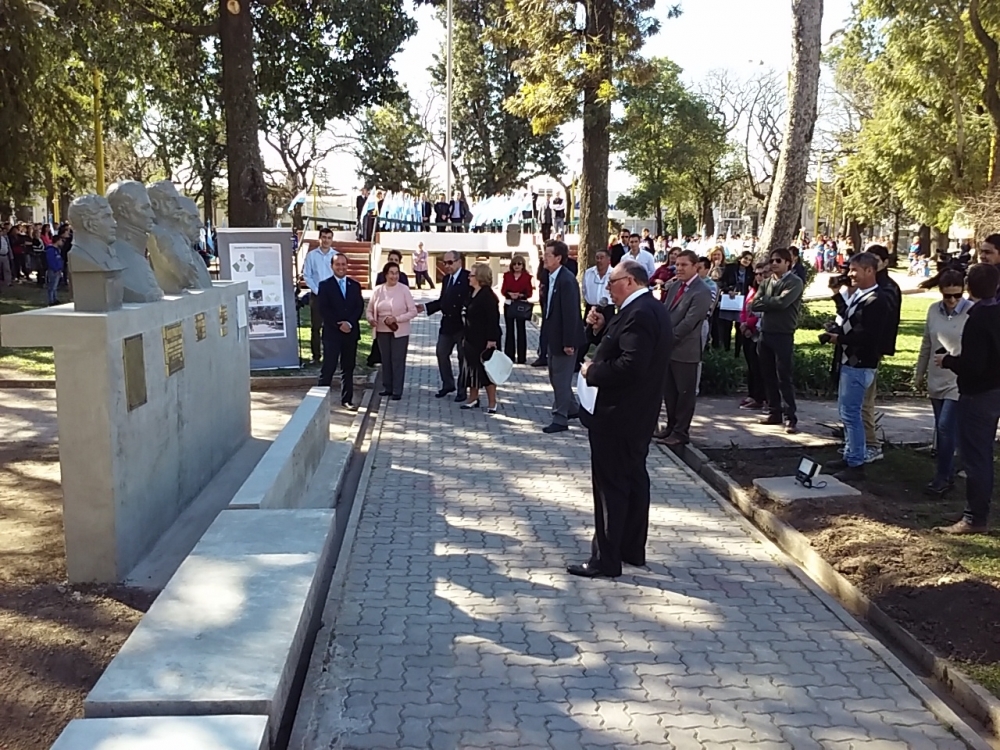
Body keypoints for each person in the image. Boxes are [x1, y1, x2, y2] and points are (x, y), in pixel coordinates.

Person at [568, 260, 672, 579]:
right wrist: (602, 329)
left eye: (611, 283)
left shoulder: (640, 313)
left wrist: (592, 371)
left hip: (619, 416)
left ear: (628, 281)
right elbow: (626, 343)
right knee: (634, 480)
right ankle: (631, 548)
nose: (607, 290)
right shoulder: (646, 309)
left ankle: (606, 559)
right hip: (637, 415)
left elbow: (631, 365)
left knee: (611, 486)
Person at [935, 263, 1000, 535]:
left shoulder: (978, 317)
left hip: (979, 393)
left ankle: (975, 518)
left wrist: (948, 360)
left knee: (977, 456)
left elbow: (973, 364)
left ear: (968, 288)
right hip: (996, 388)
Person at [822, 252, 890, 481]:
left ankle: (856, 463)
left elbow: (869, 337)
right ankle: (850, 454)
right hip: (849, 362)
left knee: (852, 414)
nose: (850, 274)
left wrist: (838, 339)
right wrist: (836, 298)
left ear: (870, 271)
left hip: (860, 364)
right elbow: (848, 319)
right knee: (847, 412)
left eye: (855, 270)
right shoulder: (860, 295)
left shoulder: (877, 300)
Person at [914, 270, 970, 495]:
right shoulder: (932, 311)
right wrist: (919, 374)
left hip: (959, 379)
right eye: (948, 296)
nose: (953, 301)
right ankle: (949, 469)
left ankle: (943, 476)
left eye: (958, 295)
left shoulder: (972, 312)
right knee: (941, 428)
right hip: (936, 376)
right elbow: (927, 343)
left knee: (947, 426)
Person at [655, 250, 713, 446]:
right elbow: (666, 311)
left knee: (684, 393)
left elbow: (690, 322)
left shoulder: (702, 291)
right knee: (669, 392)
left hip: (686, 350)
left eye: (683, 265)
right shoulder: (675, 286)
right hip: (669, 349)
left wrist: (668, 338)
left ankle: (681, 432)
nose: (678, 268)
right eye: (677, 265)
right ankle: (671, 427)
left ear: (695, 267)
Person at [751, 248, 804, 434]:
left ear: (788, 263)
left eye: (778, 260)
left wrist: (766, 301)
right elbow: (754, 304)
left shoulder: (795, 282)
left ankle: (791, 417)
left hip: (783, 334)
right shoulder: (766, 282)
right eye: (772, 260)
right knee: (768, 375)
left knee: (784, 376)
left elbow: (784, 303)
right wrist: (769, 300)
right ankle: (775, 412)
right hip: (765, 332)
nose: (774, 263)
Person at [857, 244, 902, 462]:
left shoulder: (886, 289)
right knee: (854, 401)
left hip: (872, 351)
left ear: (883, 263)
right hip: (856, 350)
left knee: (866, 400)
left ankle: (872, 444)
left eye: (874, 259)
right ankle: (856, 443)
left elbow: (881, 322)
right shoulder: (868, 286)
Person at [540, 239, 585, 433]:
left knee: (561, 378)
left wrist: (568, 342)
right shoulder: (550, 277)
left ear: (558, 258)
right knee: (555, 375)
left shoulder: (566, 280)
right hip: (553, 336)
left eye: (548, 255)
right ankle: (573, 408)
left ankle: (560, 418)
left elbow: (570, 313)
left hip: (564, 339)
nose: (544, 258)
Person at [420, 250, 471, 401]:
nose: (447, 266)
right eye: (445, 263)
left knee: (463, 358)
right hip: (447, 324)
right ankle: (448, 383)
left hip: (461, 325)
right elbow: (443, 301)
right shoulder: (446, 279)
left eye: (450, 262)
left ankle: (462, 390)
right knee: (441, 353)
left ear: (459, 262)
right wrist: (425, 307)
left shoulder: (467, 277)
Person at [317, 253, 364, 409]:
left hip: (350, 333)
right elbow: (323, 309)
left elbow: (359, 307)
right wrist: (339, 324)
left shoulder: (354, 285)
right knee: (328, 367)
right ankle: (318, 402)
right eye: (338, 264)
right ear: (332, 266)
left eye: (344, 264)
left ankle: (347, 400)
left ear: (347, 266)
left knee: (348, 367)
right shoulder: (325, 285)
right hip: (332, 334)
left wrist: (349, 323)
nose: (341, 267)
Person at [367, 261, 418, 401]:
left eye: (396, 273)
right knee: (386, 359)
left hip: (399, 330)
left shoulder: (404, 290)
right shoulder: (378, 290)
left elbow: (413, 311)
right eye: (391, 273)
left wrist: (397, 319)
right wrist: (371, 319)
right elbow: (370, 310)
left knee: (397, 360)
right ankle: (387, 387)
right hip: (382, 330)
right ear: (386, 274)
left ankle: (397, 390)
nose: (394, 276)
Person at [459, 263, 503, 413]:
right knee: (471, 369)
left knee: (486, 371)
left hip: (484, 340)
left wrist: (492, 340)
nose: (468, 277)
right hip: (470, 338)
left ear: (479, 277)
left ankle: (492, 402)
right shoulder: (471, 293)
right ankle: (473, 398)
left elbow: (493, 319)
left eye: (471, 275)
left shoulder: (488, 296)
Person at [303, 227, 338, 363]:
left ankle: (332, 354)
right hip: (317, 296)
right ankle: (316, 356)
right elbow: (307, 276)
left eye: (329, 238)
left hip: (332, 297)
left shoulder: (335, 255)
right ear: (320, 238)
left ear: (332, 239)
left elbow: (339, 274)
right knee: (316, 327)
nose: (326, 240)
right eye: (324, 237)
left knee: (333, 326)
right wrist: (318, 290)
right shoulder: (312, 255)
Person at [738, 263, 769, 410]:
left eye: (762, 274)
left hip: (758, 331)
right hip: (747, 331)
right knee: (751, 364)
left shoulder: (767, 292)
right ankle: (752, 394)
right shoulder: (752, 291)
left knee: (759, 366)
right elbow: (745, 309)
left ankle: (760, 396)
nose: (759, 277)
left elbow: (761, 313)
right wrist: (743, 323)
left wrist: (749, 324)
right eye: (757, 274)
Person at [579, 248, 614, 366]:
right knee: (585, 336)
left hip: (607, 309)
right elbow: (584, 289)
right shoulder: (589, 272)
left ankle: (603, 362)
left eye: (602, 258)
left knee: (606, 337)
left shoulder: (613, 274)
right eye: (597, 258)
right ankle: (577, 361)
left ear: (608, 260)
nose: (599, 261)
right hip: (591, 307)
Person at [717, 251, 754, 353]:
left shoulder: (750, 272)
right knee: (727, 325)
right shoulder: (730, 268)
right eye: (745, 258)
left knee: (739, 325)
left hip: (742, 300)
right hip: (730, 298)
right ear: (740, 258)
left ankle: (737, 351)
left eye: (749, 260)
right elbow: (722, 281)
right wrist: (728, 290)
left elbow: (752, 285)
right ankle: (726, 348)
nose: (747, 261)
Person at [501, 254, 533, 364]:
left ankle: (521, 357)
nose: (516, 266)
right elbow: (503, 290)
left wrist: (520, 295)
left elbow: (529, 292)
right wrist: (510, 294)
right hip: (509, 304)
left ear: (523, 265)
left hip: (521, 305)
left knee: (521, 330)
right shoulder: (507, 276)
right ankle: (509, 355)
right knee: (509, 330)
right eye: (514, 264)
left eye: (519, 264)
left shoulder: (527, 277)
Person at [44, 235, 63, 305]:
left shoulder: (57, 250)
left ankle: (55, 298)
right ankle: (51, 300)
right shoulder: (50, 250)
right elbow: (51, 260)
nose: (61, 242)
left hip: (58, 269)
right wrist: (55, 268)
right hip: (53, 270)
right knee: (52, 286)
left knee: (55, 286)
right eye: (60, 241)